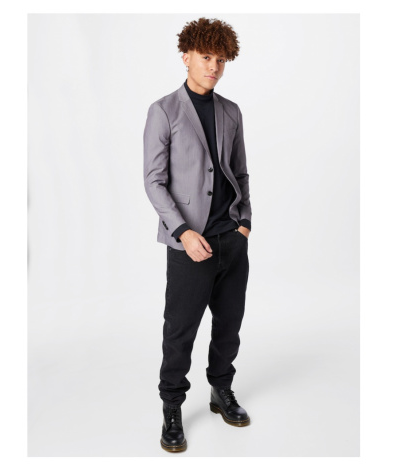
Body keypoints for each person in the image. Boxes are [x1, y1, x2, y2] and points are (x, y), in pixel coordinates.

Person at [143, 17, 252, 453]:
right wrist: (184, 232)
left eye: (221, 60)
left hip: (231, 238)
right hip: (190, 242)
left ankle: (220, 390)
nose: (214, 67)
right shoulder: (163, 111)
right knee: (180, 330)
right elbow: (153, 181)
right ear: (186, 56)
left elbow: (241, 172)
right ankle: (172, 407)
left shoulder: (231, 111)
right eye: (206, 57)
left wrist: (244, 223)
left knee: (229, 325)